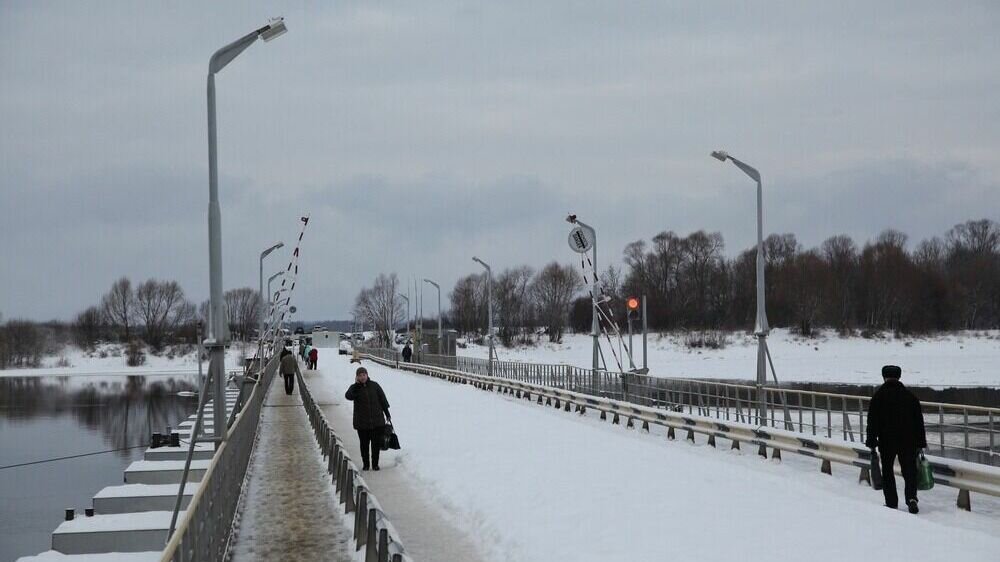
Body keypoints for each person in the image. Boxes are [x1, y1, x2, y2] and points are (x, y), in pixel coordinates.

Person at [865, 365, 927, 513]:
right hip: (908, 440)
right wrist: (920, 442)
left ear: (884, 377)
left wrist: (872, 442)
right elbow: (919, 421)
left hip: (887, 440)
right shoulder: (910, 396)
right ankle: (911, 498)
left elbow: (872, 422)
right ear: (899, 377)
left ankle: (891, 502)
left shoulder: (878, 396)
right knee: (909, 470)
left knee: (887, 471)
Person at [345, 366, 391, 471]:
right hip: (362, 423)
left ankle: (375, 464)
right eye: (360, 375)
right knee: (364, 445)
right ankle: (366, 464)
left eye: (364, 375)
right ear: (357, 377)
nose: (362, 377)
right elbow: (348, 396)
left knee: (375, 445)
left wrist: (387, 414)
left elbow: (383, 400)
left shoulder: (375, 386)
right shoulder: (354, 388)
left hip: (377, 422)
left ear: (367, 375)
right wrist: (356, 385)